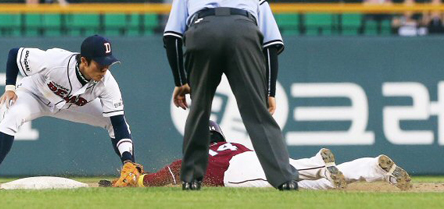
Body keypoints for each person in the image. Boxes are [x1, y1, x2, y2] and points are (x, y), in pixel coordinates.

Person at [163, 0, 298, 191]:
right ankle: (285, 180)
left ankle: (192, 179)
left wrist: (181, 81)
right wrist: (269, 91)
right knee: (257, 113)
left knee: (199, 109)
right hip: (243, 31)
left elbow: (172, 37)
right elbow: (272, 45)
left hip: (203, 29)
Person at [0, 35, 137, 190]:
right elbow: (15, 54)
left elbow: (118, 123)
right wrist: (10, 87)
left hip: (70, 105)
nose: (105, 69)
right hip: (35, 95)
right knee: (12, 116)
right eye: (100, 64)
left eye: (108, 64)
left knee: (110, 121)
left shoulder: (107, 83)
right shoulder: (54, 61)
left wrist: (128, 160)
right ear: (84, 61)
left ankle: (131, 172)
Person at [106, 121, 411, 191]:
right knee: (299, 176)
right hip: (255, 156)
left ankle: (321, 168)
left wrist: (139, 179)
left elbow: (161, 179)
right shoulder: (233, 143)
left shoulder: (195, 158)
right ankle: (374, 167)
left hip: (238, 174)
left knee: (292, 180)